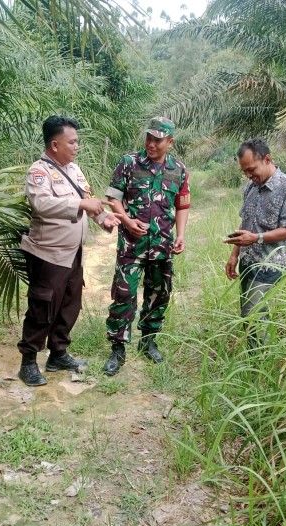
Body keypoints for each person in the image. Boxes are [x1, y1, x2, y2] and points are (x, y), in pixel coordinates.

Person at [18, 115, 119, 386]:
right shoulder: (38, 172)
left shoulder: (74, 170)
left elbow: (88, 199)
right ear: (54, 144)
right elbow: (42, 205)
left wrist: (103, 219)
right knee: (43, 306)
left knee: (68, 304)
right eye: (72, 142)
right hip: (48, 253)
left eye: (77, 142)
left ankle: (58, 354)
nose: (77, 147)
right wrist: (80, 206)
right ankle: (28, 361)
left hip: (73, 251)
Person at [102, 116, 191, 376]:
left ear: (170, 142)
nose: (151, 144)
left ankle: (148, 340)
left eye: (158, 140)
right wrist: (127, 221)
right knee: (124, 294)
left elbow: (182, 205)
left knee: (159, 293)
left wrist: (181, 235)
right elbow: (113, 198)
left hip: (163, 245)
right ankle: (117, 347)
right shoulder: (129, 163)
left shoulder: (179, 169)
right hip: (132, 244)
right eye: (148, 138)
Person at [224, 137, 286, 347]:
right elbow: (246, 223)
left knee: (255, 317)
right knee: (248, 314)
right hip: (248, 261)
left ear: (267, 159)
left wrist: (257, 238)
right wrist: (234, 255)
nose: (249, 176)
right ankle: (255, 361)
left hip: (270, 263)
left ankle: (259, 364)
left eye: (251, 169)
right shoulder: (251, 187)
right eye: (245, 172)